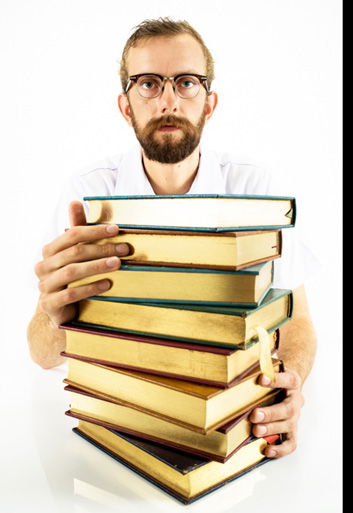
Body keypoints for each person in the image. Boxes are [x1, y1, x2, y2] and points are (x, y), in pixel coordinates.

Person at [27, 18, 317, 460]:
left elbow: (296, 323)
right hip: (115, 431)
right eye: (147, 84)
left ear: (209, 102)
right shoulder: (88, 196)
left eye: (186, 83)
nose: (167, 101)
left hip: (231, 424)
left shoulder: (255, 193)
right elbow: (43, 355)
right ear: (125, 106)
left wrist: (288, 386)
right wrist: (55, 315)